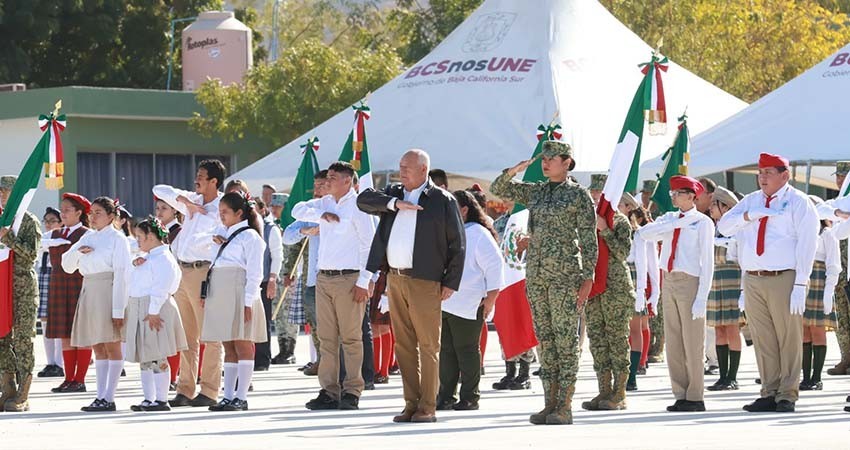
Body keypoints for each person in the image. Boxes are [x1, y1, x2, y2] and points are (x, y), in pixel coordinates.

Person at [490, 140, 598, 425]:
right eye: (543, 159)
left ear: (567, 162)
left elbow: (589, 240)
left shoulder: (578, 196)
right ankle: (549, 403)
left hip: (565, 277)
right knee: (545, 342)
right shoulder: (536, 193)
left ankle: (564, 405)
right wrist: (516, 169)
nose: (545, 163)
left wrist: (588, 278)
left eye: (551, 158)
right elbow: (499, 189)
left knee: (565, 342)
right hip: (537, 277)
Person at [358, 149, 465, 423]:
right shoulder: (394, 194)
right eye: (401, 166)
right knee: (403, 345)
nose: (401, 171)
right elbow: (363, 200)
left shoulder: (442, 200)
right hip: (394, 279)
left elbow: (457, 244)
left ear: (423, 170)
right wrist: (395, 205)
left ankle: (428, 406)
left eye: (407, 167)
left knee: (428, 345)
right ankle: (411, 404)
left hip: (425, 281)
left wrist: (450, 281)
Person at [717, 152, 819, 413]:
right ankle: (769, 391)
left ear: (784, 175)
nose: (762, 178)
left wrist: (800, 284)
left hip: (784, 277)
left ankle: (787, 393)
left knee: (788, 338)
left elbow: (808, 244)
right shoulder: (751, 201)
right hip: (753, 277)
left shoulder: (798, 202)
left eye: (768, 173)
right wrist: (749, 216)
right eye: (759, 173)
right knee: (763, 339)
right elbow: (725, 226)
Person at [293, 162, 376, 411]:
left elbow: (368, 246)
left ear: (348, 181)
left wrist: (364, 281)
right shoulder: (325, 203)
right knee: (327, 339)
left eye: (332, 178)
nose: (327, 182)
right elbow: (297, 209)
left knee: (351, 338)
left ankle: (352, 390)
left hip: (349, 278)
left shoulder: (359, 206)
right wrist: (321, 215)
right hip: (324, 278)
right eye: (327, 177)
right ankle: (329, 391)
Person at [636, 176, 715, 413]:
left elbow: (708, 261)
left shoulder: (702, 222)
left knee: (693, 341)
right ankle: (680, 392)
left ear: (691, 196)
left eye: (678, 193)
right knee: (674, 341)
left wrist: (703, 296)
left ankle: (695, 395)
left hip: (690, 281)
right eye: (673, 194)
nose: (674, 197)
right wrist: (673, 225)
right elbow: (645, 233)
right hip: (668, 279)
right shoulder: (669, 219)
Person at [153, 159, 226, 408]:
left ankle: (209, 389)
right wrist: (186, 203)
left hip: (203, 271)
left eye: (202, 176)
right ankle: (185, 388)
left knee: (210, 334)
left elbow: (217, 237)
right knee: (186, 336)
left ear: (214, 181)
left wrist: (196, 212)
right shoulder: (191, 199)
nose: (197, 180)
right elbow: (159, 189)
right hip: (181, 271)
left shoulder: (221, 206)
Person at [436, 190, 503, 411]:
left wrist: (491, 299)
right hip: (444, 301)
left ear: (464, 210)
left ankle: (470, 396)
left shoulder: (478, 233)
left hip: (469, 302)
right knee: (446, 350)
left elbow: (495, 266)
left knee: (466, 350)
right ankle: (445, 395)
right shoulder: (447, 231)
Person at [63, 197, 131, 412]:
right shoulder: (87, 236)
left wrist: (118, 308)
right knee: (97, 346)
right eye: (91, 212)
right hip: (89, 290)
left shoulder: (118, 239)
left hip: (108, 290)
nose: (92, 216)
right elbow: (67, 266)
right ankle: (100, 395)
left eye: (98, 212)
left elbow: (122, 274)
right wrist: (77, 251)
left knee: (112, 344)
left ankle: (109, 396)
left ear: (111, 216)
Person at [203, 191, 267, 412]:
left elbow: (255, 273)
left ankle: (241, 396)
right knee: (228, 344)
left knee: (243, 342)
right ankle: (228, 395)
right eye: (220, 212)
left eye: (225, 212)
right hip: (221, 291)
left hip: (240, 291)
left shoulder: (250, 237)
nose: (221, 217)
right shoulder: (222, 235)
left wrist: (249, 302)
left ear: (239, 213)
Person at [582, 174, 637, 411]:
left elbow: (623, 253)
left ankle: (620, 392)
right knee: (598, 341)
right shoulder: (584, 222)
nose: (595, 198)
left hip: (615, 288)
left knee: (616, 340)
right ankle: (604, 390)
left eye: (598, 194)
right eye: (592, 194)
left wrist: (604, 230)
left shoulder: (620, 221)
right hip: (594, 287)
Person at [125, 217, 188, 412]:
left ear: (151, 237)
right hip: (140, 306)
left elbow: (161, 287)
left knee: (157, 354)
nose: (137, 242)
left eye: (140, 237)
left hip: (155, 308)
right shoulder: (150, 256)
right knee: (145, 356)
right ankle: (148, 398)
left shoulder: (163, 258)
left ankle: (161, 399)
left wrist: (153, 311)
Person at [0, 175, 42, 412]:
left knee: (23, 339)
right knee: (2, 337)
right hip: (2, 286)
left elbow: (31, 255)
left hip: (23, 287)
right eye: (1, 192)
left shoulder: (28, 221)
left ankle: (23, 394)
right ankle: (7, 388)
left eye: (6, 192)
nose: (2, 196)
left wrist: (9, 238)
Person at [46, 193, 92, 394]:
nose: (63, 213)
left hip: (78, 284)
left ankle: (80, 379)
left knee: (81, 333)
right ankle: (68, 378)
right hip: (58, 284)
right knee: (64, 334)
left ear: (79, 213)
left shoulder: (86, 233)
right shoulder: (55, 234)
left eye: (67, 210)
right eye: (62, 210)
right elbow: (39, 243)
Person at [282, 172, 326, 373]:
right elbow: (288, 236)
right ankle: (322, 362)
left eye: (321, 185)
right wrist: (304, 231)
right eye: (315, 186)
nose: (316, 190)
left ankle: (336, 367)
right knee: (315, 324)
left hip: (337, 278)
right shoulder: (309, 210)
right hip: (311, 278)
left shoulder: (340, 210)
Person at [491, 199, 536, 391]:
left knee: (523, 322)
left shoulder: (529, 220)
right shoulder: (499, 223)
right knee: (506, 323)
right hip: (503, 280)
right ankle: (509, 372)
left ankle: (524, 373)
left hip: (524, 279)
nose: (506, 200)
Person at [706, 186, 744, 391]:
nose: (711, 208)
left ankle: (732, 376)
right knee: (719, 329)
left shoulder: (738, 230)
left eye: (715, 204)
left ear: (726, 206)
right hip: (715, 281)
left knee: (731, 328)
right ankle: (722, 375)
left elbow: (743, 260)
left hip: (732, 281)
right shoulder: (711, 228)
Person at [800, 196, 840, 391]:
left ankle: (816, 377)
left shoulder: (827, 234)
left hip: (818, 281)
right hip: (803, 280)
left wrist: (828, 291)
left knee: (817, 330)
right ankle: (806, 376)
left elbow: (833, 265)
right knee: (803, 331)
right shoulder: (801, 232)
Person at [622, 196, 659, 391]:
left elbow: (647, 264)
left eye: (620, 204)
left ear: (628, 208)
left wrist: (646, 292)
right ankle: (620, 373)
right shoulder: (609, 230)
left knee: (635, 328)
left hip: (634, 278)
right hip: (617, 277)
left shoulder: (638, 234)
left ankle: (633, 374)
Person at [155, 196, 183, 389]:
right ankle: (164, 375)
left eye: (164, 208)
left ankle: (173, 376)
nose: (159, 212)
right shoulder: (158, 232)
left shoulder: (179, 232)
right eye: (158, 208)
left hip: (176, 286)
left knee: (174, 334)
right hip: (158, 286)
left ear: (175, 211)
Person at [826, 161, 850, 376]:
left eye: (843, 175)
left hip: (846, 267)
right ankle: (845, 358)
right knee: (841, 317)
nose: (839, 179)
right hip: (839, 271)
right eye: (838, 176)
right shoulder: (837, 206)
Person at [254, 198, 282, 371]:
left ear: (263, 210)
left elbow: (277, 255)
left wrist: (272, 279)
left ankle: (262, 359)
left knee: (263, 322)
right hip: (247, 281)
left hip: (264, 281)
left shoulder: (270, 229)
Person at [36, 207, 65, 379]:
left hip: (59, 276)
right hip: (45, 276)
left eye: (52, 221)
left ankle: (59, 363)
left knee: (59, 321)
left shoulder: (63, 235)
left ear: (61, 222)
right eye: (46, 221)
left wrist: (52, 243)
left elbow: (57, 243)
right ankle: (50, 362)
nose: (48, 224)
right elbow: (40, 244)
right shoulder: (44, 237)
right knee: (45, 320)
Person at [697, 178, 719, 376]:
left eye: (699, 192)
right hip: (697, 272)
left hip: (717, 275)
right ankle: (706, 357)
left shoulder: (717, 216)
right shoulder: (695, 216)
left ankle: (715, 359)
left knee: (713, 321)